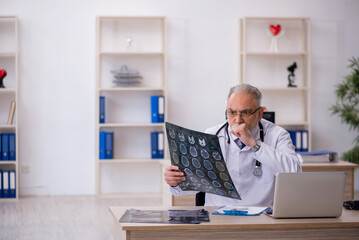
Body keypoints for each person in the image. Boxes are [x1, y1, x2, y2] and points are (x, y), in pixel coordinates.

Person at [164, 84, 302, 206]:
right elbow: (191, 184)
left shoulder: (277, 135)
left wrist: (253, 143)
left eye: (245, 112)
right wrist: (175, 181)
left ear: (259, 113)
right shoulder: (212, 135)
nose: (237, 120)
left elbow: (295, 173)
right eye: (231, 112)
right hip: (218, 216)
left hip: (262, 216)